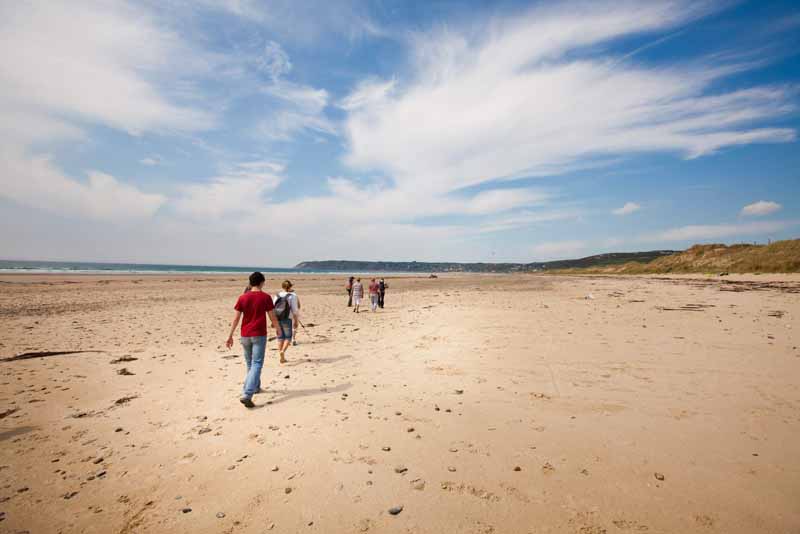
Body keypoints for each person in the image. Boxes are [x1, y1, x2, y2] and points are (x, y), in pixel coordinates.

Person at [226, 272, 280, 408]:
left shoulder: (243, 297)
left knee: (250, 364)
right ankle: (247, 394)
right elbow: (272, 317)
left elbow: (236, 319)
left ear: (250, 283)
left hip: (245, 335)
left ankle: (256, 387)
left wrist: (230, 335)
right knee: (256, 364)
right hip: (259, 334)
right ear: (262, 282)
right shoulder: (266, 297)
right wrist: (278, 329)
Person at [273, 280, 300, 363]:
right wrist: (296, 320)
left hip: (278, 318)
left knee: (280, 337)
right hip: (287, 318)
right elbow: (295, 310)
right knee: (288, 337)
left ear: (282, 287)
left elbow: (273, 307)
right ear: (290, 287)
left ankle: (280, 354)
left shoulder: (277, 295)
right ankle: (283, 352)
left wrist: (273, 320)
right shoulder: (293, 296)